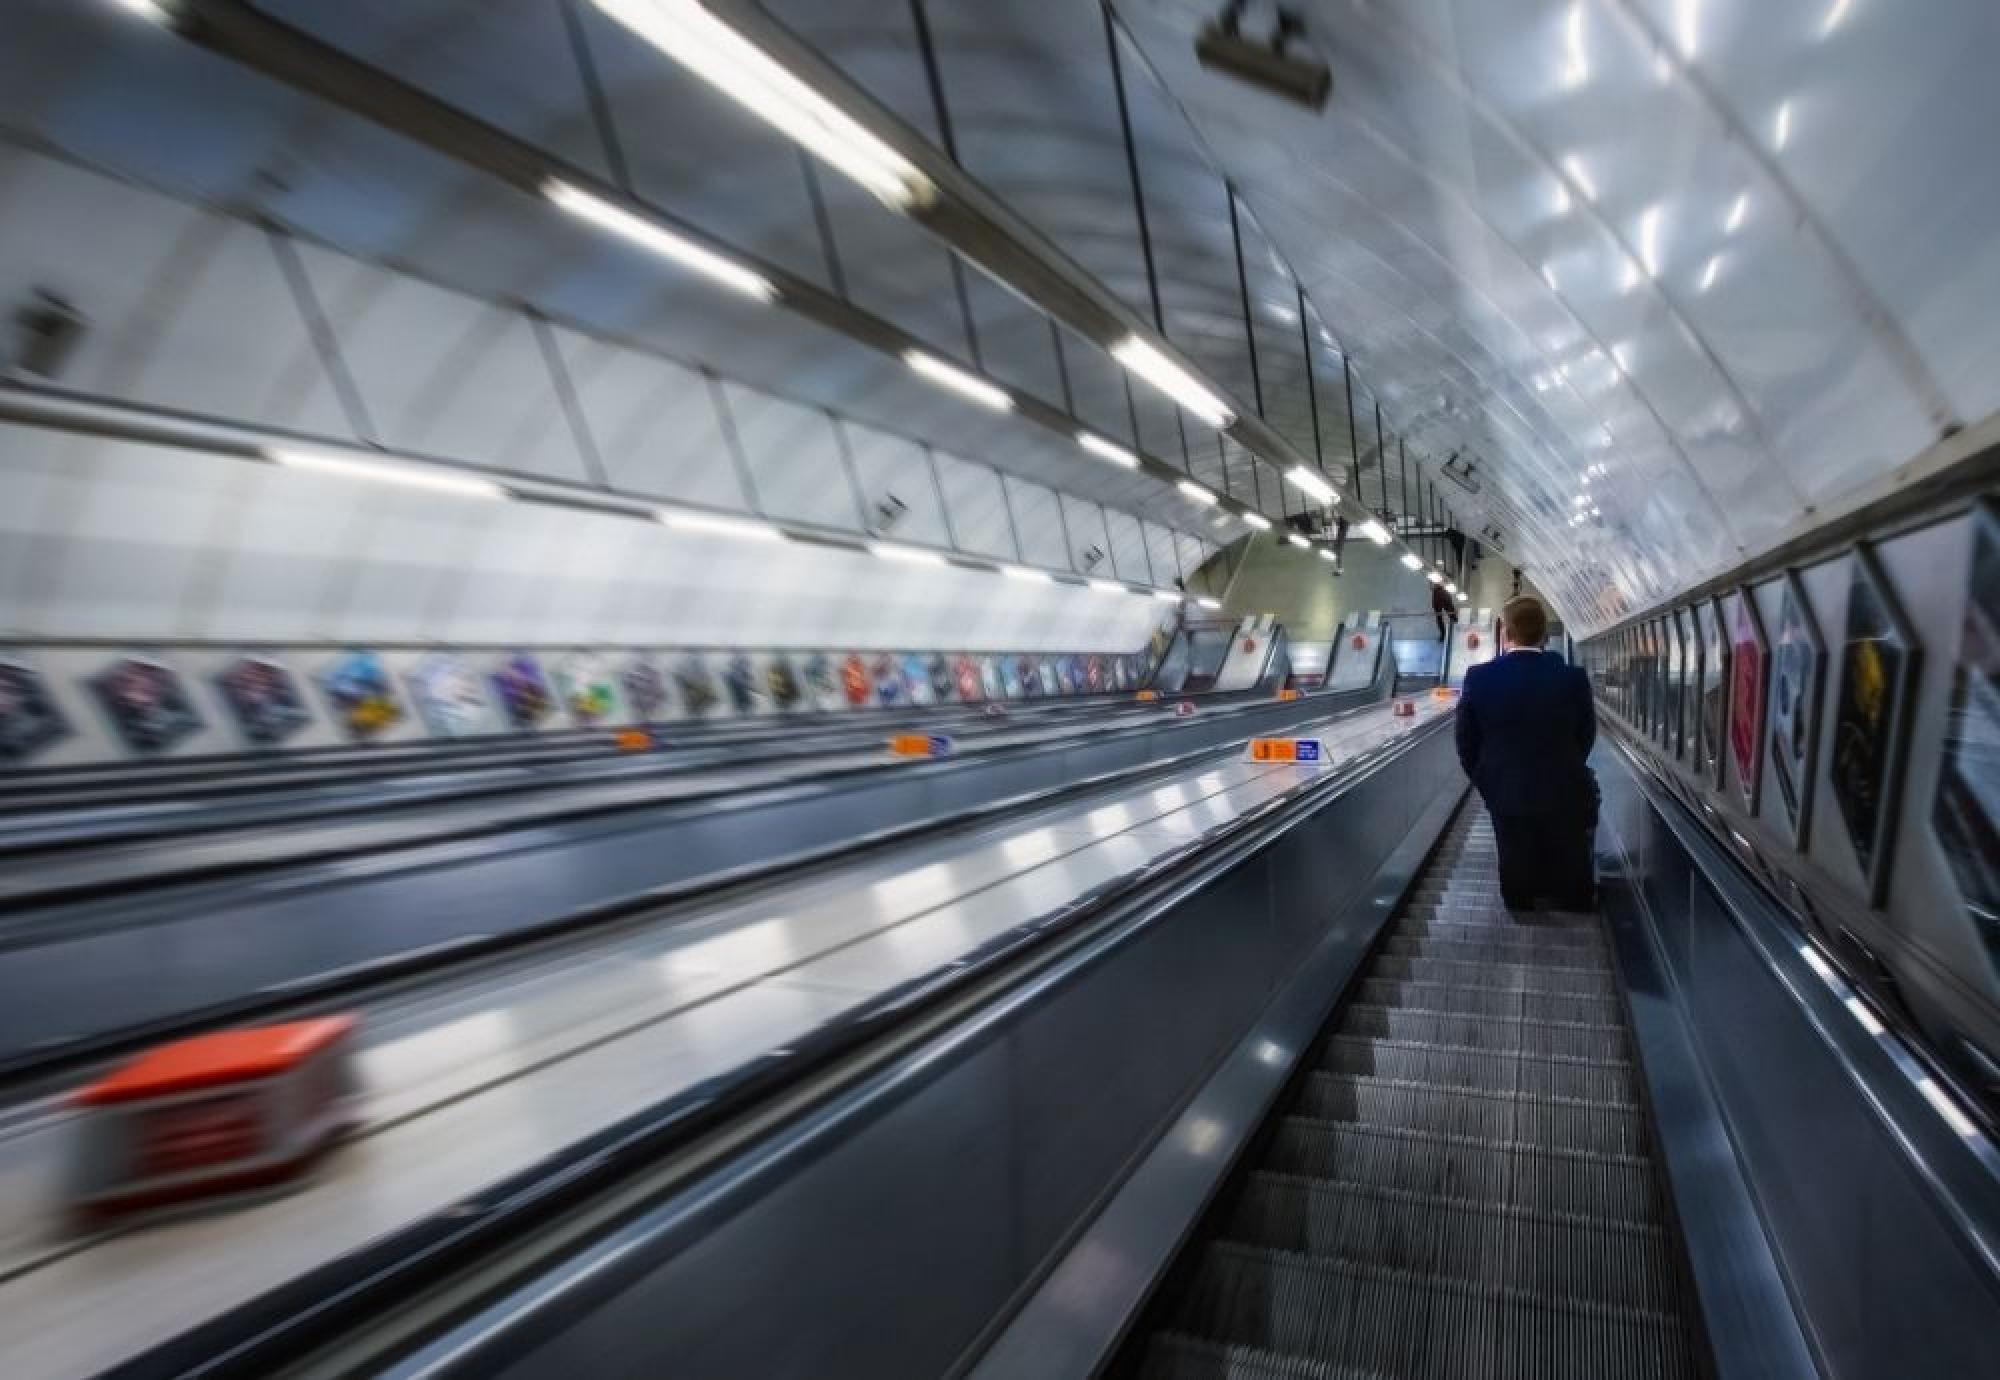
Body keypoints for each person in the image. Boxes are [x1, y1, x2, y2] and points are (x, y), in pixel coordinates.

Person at [1454, 595, 1599, 911]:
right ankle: (1567, 902)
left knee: (1513, 854)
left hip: (1504, 788)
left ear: (1505, 633)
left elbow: (1465, 742)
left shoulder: (1479, 678)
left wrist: (1486, 780)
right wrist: (1567, 766)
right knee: (1566, 852)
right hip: (1562, 786)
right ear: (1545, 633)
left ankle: (1521, 904)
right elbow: (1586, 735)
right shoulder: (1572, 678)